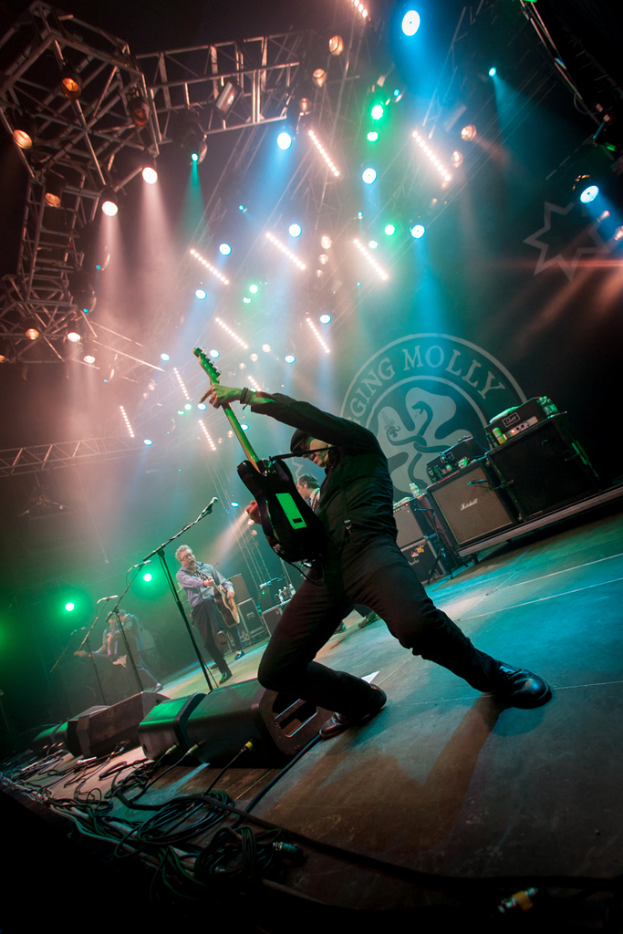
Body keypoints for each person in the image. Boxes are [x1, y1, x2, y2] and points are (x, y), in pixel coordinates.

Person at [205, 384, 552, 738]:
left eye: (306, 448)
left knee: (416, 625)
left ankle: (496, 676)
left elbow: (305, 414)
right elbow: (304, 542)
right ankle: (358, 700)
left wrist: (248, 396)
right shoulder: (324, 491)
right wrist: (267, 517)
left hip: (370, 553)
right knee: (275, 671)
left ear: (322, 435)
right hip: (325, 572)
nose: (306, 457)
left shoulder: (361, 446)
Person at [175, 545, 244, 684]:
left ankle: (221, 633)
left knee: (214, 607)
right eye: (185, 558)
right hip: (199, 608)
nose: (189, 558)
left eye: (190, 555)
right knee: (207, 642)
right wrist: (204, 583)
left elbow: (224, 581)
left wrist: (230, 590)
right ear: (181, 562)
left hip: (214, 602)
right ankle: (224, 669)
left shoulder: (207, 567)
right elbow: (192, 582)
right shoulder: (181, 575)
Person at [75, 609, 161, 695]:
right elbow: (105, 646)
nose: (113, 620)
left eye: (114, 618)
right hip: (123, 654)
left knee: (138, 668)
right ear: (107, 620)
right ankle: (139, 692)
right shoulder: (108, 631)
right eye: (111, 619)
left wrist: (113, 637)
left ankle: (155, 684)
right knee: (129, 673)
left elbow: (129, 629)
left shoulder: (125, 623)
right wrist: (94, 652)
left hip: (130, 651)